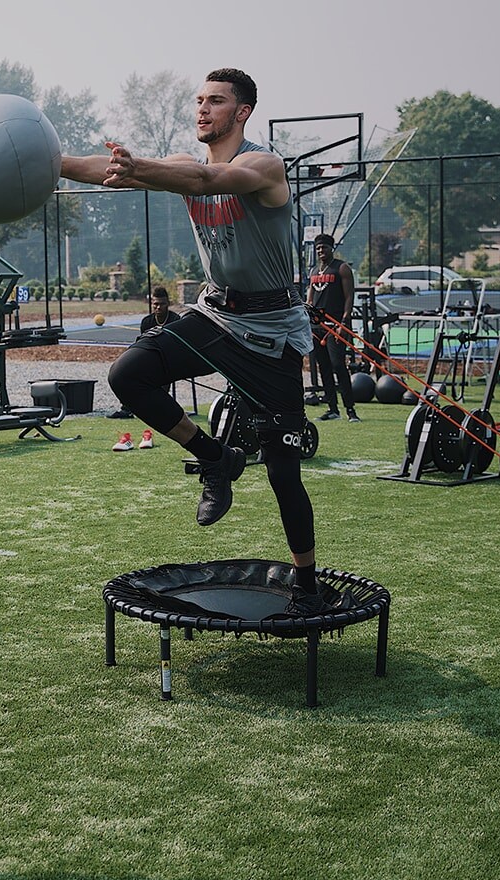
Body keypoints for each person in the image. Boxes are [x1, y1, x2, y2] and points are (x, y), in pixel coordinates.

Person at [60, 67, 326, 611]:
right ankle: (215, 458)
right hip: (215, 315)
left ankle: (306, 581)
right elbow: (105, 170)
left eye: (216, 101)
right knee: (127, 375)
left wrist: (142, 169)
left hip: (272, 331)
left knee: (282, 471)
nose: (202, 110)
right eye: (199, 100)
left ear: (242, 112)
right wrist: (42, 164)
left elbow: (208, 183)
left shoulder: (264, 165)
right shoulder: (182, 166)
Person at [304, 234, 359, 423]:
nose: (321, 251)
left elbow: (349, 297)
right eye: (318, 248)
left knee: (338, 365)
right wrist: (308, 317)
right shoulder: (313, 271)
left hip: (335, 326)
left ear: (331, 249)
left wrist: (344, 322)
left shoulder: (341, 268)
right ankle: (332, 409)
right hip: (317, 326)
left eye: (324, 248)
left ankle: (350, 410)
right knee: (324, 368)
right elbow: (310, 300)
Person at [109, 287, 182, 419]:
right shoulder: (146, 322)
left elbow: (177, 346)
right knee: (129, 371)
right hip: (149, 358)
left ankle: (158, 408)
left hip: (168, 360)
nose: (158, 307)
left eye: (162, 304)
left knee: (160, 374)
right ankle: (127, 408)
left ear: (168, 304)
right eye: (156, 304)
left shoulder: (175, 320)